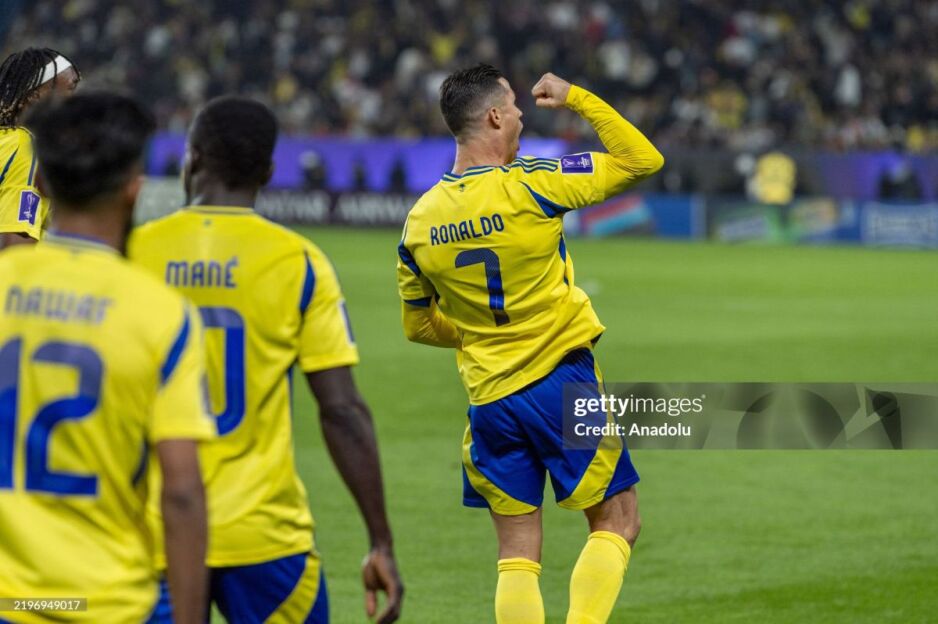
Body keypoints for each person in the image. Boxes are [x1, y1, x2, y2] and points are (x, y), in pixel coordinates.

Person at [396, 64, 664, 623]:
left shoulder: (419, 224)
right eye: (515, 105)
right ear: (495, 116)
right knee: (618, 520)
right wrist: (576, 98)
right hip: (559, 383)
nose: (521, 114)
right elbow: (642, 160)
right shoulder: (533, 185)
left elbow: (418, 326)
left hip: (488, 401)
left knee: (517, 553)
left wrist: (479, 333)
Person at [130, 96, 404, 623]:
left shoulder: (134, 252)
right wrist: (381, 542)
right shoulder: (299, 262)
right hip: (266, 538)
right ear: (269, 172)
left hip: (152, 533)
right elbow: (342, 410)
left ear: (191, 157)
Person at [0, 92, 212, 623]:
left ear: (41, 183)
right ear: (133, 190)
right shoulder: (159, 313)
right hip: (104, 599)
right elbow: (181, 491)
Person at [0, 48, 80, 248]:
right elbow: (16, 241)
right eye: (71, 89)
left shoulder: (7, 140)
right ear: (35, 96)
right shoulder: (25, 147)